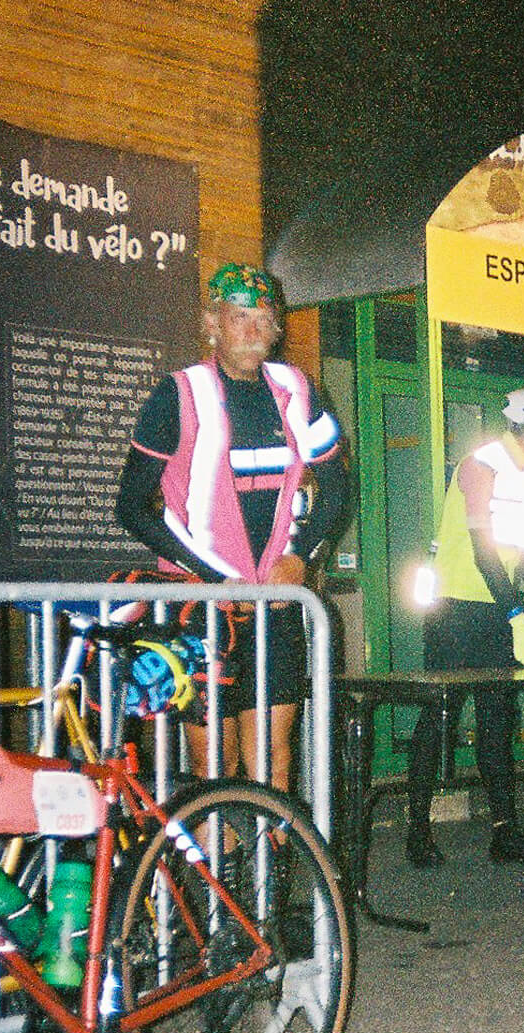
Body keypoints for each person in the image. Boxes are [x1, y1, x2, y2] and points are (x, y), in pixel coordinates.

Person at [114, 262, 348, 792]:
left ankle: (269, 875)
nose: (251, 329)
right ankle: (213, 874)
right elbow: (131, 506)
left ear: (278, 327)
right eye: (238, 316)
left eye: (263, 317)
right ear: (211, 323)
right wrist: (208, 576)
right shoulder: (177, 394)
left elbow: (337, 488)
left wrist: (301, 557)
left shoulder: (299, 391)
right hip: (201, 605)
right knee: (212, 764)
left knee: (273, 760)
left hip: (276, 601)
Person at [406, 388, 524, 870]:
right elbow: (482, 551)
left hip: (495, 608)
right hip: (455, 609)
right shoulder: (481, 464)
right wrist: (517, 616)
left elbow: (512, 552)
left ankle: (506, 833)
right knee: (440, 717)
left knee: (498, 720)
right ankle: (417, 829)